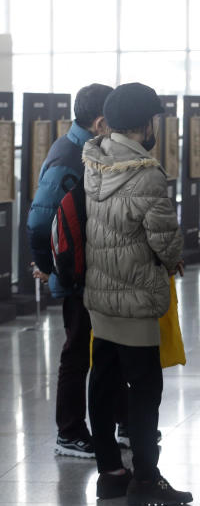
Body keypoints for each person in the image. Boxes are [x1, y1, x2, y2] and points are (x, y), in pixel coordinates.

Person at [83, 82, 192, 506]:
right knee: (145, 391)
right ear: (145, 124)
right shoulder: (146, 172)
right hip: (136, 298)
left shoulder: (93, 159)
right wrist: (171, 260)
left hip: (100, 292)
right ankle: (146, 479)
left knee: (103, 380)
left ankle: (110, 473)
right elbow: (164, 239)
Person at [27, 84, 116, 459]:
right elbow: (38, 220)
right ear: (99, 123)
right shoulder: (69, 155)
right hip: (75, 272)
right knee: (77, 351)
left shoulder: (86, 149)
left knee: (92, 350)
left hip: (85, 269)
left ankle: (103, 427)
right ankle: (70, 432)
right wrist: (51, 270)